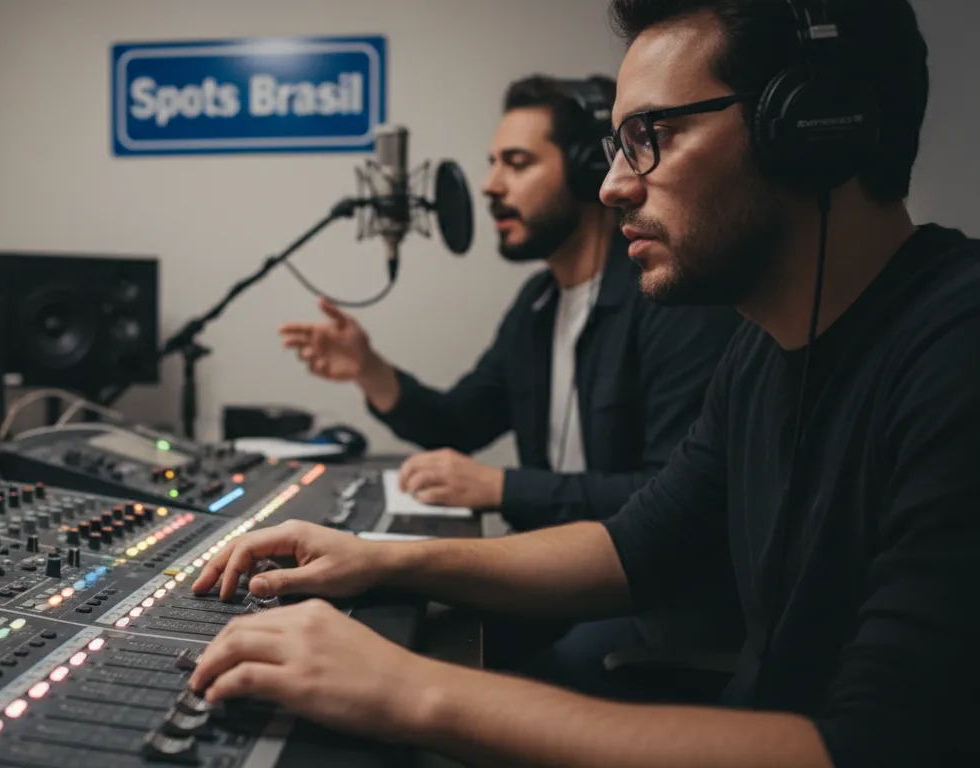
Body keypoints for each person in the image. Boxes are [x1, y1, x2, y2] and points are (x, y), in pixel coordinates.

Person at [188, 1, 980, 765]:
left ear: (811, 124)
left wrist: (410, 691)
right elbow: (633, 547)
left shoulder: (956, 350)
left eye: (652, 136)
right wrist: (381, 559)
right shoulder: (761, 351)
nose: (612, 186)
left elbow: (878, 749)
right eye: (617, 145)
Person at [279, 75, 738, 533]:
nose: (490, 186)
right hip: (549, 565)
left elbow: (677, 496)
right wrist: (368, 368)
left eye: (517, 164)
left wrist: (502, 488)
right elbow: (459, 424)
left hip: (641, 575)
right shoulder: (538, 303)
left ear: (588, 170)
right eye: (493, 164)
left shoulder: (668, 297)